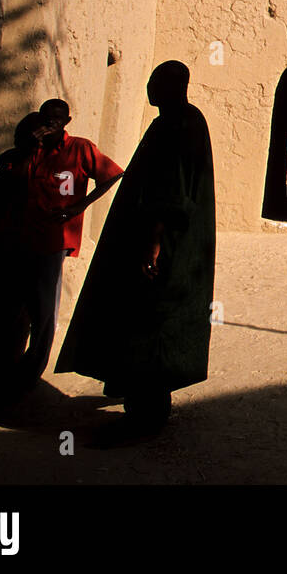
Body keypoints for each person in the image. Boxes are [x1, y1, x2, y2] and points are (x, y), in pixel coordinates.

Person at [55, 61, 216, 439]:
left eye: (156, 82)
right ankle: (143, 402)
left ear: (174, 86)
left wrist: (155, 241)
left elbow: (172, 191)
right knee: (141, 317)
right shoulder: (177, 121)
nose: (149, 88)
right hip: (160, 242)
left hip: (164, 247)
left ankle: (145, 413)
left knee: (151, 321)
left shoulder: (180, 124)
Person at [20, 98, 124, 389]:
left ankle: (34, 366)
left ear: (67, 120)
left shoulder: (80, 148)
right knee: (25, 299)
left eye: (57, 117)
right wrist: (31, 148)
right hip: (27, 233)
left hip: (55, 238)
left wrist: (80, 206)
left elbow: (112, 174)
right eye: (46, 117)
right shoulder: (35, 150)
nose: (51, 122)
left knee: (44, 305)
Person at [0, 111, 43, 418]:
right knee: (3, 329)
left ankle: (3, 394)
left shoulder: (30, 168)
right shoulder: (11, 168)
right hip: (5, 259)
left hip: (20, 258)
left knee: (14, 327)